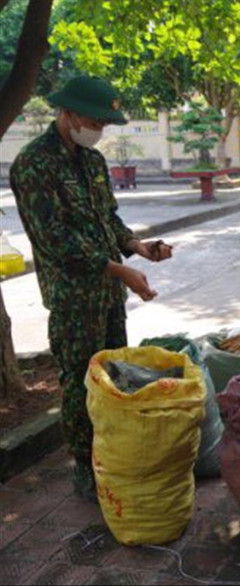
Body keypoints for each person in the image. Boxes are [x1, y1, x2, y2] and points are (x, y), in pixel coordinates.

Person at [10, 76, 172, 500]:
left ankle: (113, 454)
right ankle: (85, 463)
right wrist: (118, 270)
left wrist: (137, 247)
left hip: (108, 294)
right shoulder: (33, 164)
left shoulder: (92, 161)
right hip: (72, 298)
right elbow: (55, 240)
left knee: (113, 376)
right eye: (95, 121)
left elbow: (108, 219)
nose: (99, 129)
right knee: (82, 380)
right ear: (68, 113)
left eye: (104, 123)